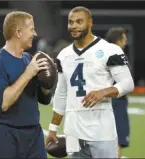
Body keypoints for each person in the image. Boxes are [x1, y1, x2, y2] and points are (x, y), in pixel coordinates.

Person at [45, 6, 134, 158]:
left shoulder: (109, 49)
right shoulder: (63, 55)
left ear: (90, 23)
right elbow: (61, 94)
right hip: (73, 131)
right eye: (71, 22)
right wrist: (53, 128)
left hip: (102, 130)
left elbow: (127, 83)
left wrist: (103, 92)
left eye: (79, 22)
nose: (74, 26)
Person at [0, 11, 53, 158]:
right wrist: (28, 73)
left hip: (33, 135)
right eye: (31, 29)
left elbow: (44, 99)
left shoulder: (29, 59)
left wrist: (48, 82)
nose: (35, 33)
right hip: (5, 134)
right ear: (18, 32)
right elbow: (4, 102)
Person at [105, 27, 131, 158]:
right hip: (117, 100)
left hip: (106, 99)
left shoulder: (101, 52)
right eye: (124, 39)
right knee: (118, 139)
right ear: (118, 40)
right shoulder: (117, 55)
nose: (125, 42)